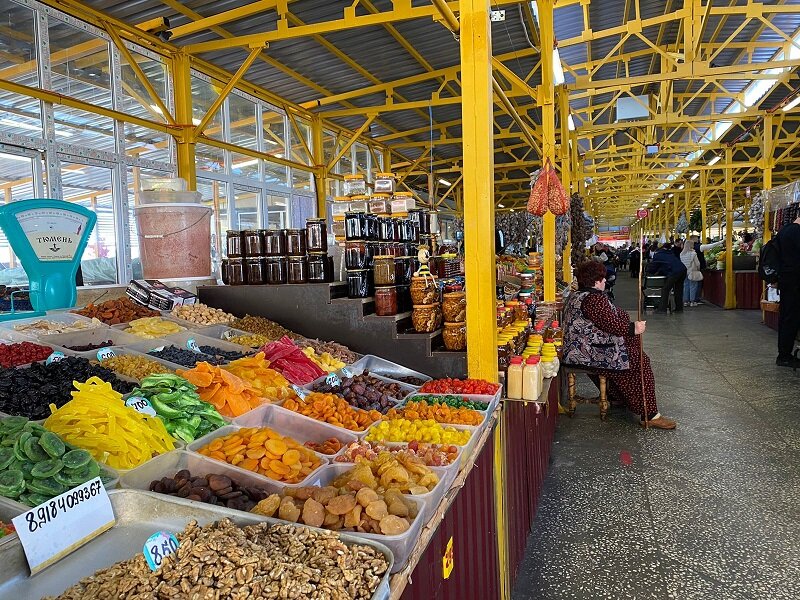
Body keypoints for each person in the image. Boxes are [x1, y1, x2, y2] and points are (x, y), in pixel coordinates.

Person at [562, 260, 677, 429]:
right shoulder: (593, 299)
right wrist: (634, 328)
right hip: (585, 353)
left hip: (579, 349)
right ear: (596, 281)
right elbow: (613, 325)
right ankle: (650, 414)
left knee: (631, 343)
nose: (604, 281)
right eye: (602, 278)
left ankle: (621, 396)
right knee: (639, 360)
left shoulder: (579, 295)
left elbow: (608, 319)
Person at [775, 213, 800, 367]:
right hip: (795, 281)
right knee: (791, 318)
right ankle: (784, 356)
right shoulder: (797, 232)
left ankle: (783, 353)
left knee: (786, 317)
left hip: (785, 280)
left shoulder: (784, 230)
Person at [647, 243, 687, 313]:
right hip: (683, 270)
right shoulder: (670, 253)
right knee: (678, 290)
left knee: (665, 289)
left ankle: (662, 309)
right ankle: (679, 308)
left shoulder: (658, 255)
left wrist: (649, 272)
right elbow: (666, 264)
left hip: (674, 272)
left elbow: (654, 266)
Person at [680, 240, 703, 306]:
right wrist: (698, 269)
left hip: (684, 272)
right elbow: (697, 263)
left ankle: (685, 301)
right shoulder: (693, 253)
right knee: (693, 286)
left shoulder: (682, 254)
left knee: (686, 286)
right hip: (692, 271)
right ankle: (692, 301)